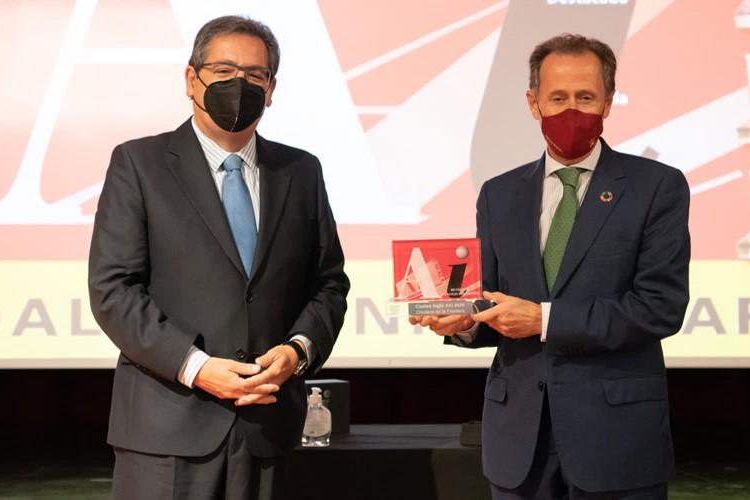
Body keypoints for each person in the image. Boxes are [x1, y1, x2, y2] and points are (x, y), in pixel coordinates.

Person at [413, 33, 691, 500]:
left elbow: (660, 307)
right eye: (557, 98)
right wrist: (463, 322)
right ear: (533, 103)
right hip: (520, 441)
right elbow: (490, 297)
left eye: (586, 97)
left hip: (616, 438)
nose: (571, 110)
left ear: (608, 101)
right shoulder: (499, 194)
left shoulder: (656, 187)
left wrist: (545, 320)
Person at [86, 15, 350, 500]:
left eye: (254, 75)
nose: (239, 85)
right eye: (224, 71)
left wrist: (296, 352)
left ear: (271, 89)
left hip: (270, 429)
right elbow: (114, 290)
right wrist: (195, 365)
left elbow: (329, 284)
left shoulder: (301, 171)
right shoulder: (139, 164)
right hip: (167, 431)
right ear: (192, 79)